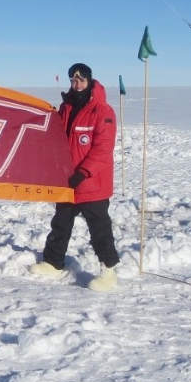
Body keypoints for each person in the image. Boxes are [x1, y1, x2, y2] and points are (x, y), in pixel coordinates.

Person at [31, 62, 121, 291]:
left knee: (99, 227)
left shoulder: (102, 111)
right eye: (73, 80)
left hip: (92, 182)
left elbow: (102, 148)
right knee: (60, 223)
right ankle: (53, 262)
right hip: (68, 181)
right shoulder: (67, 107)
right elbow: (57, 137)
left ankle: (109, 272)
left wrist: (83, 172)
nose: (77, 84)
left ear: (89, 81)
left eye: (81, 80)